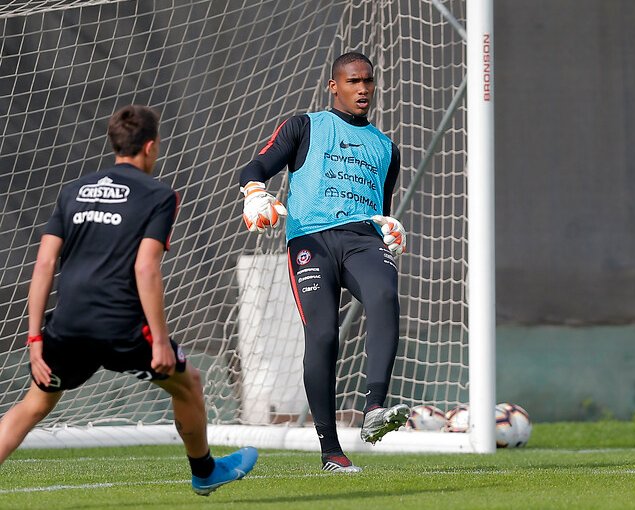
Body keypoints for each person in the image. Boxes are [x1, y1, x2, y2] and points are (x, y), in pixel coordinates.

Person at [0, 105, 257, 495]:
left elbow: (45, 263)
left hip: (67, 325)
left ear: (115, 143)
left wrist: (35, 339)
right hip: (120, 325)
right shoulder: (159, 195)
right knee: (188, 383)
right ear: (150, 147)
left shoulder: (73, 192)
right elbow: (146, 269)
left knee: (34, 405)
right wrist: (158, 341)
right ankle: (204, 471)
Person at [238, 51, 410, 473]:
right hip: (310, 240)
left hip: (361, 239)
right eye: (353, 81)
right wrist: (255, 191)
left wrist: (389, 225)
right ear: (334, 85)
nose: (363, 88)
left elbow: (379, 207)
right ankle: (331, 451)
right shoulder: (305, 125)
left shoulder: (388, 148)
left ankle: (374, 409)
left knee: (385, 294)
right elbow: (256, 165)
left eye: (368, 81)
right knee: (323, 336)